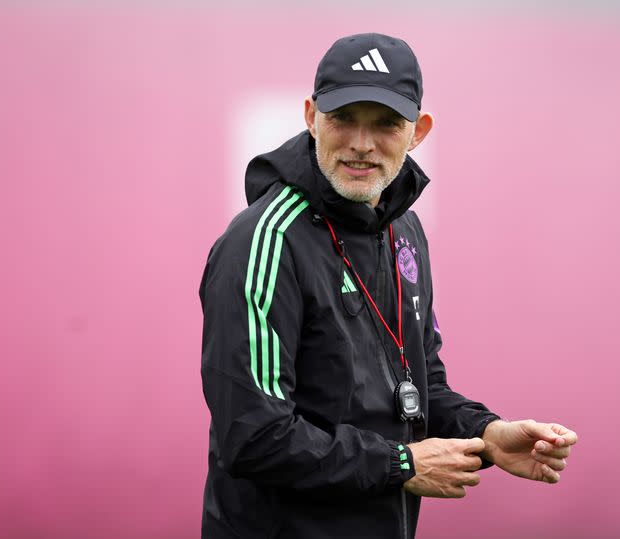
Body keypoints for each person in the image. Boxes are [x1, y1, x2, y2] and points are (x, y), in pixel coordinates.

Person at [199, 32, 578, 539]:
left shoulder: (404, 230)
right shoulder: (263, 242)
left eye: (385, 125)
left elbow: (420, 390)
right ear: (311, 117)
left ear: (418, 131)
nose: (361, 144)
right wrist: (401, 464)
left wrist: (488, 435)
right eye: (342, 119)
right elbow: (255, 437)